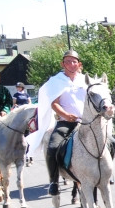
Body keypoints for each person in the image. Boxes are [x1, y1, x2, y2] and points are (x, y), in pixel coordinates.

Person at [25, 50, 89, 196]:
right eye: (68, 61)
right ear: (63, 64)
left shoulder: (85, 80)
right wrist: (66, 115)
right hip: (66, 122)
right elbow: (54, 103)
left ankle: (107, 174)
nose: (71, 64)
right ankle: (54, 181)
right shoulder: (56, 81)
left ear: (79, 64)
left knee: (108, 142)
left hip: (86, 122)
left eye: (74, 61)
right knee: (53, 146)